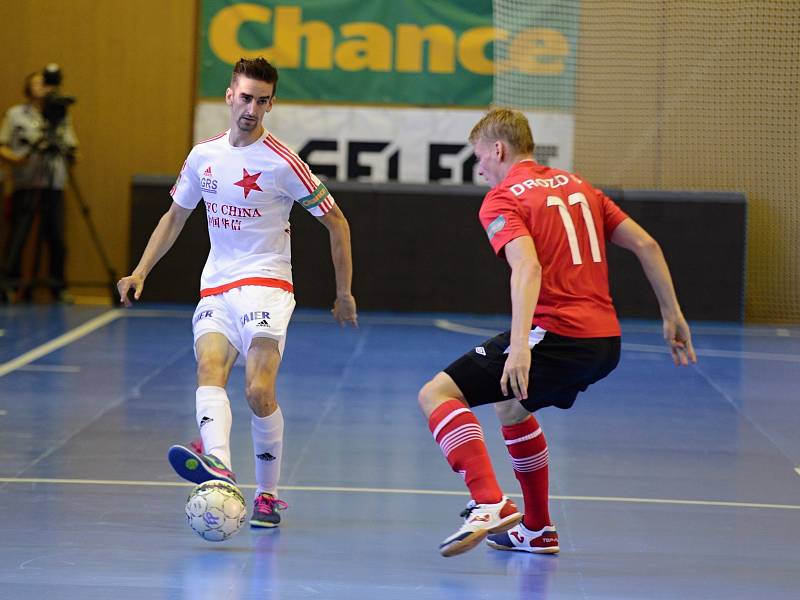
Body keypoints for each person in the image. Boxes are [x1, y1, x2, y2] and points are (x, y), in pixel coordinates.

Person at [418, 108, 696, 558]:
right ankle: (537, 529)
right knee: (511, 407)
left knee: (437, 394)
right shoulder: (582, 187)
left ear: (498, 149)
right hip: (605, 343)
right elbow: (647, 244)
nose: (480, 169)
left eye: (479, 158)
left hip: (558, 334)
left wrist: (520, 347)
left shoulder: (504, 198)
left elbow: (527, 266)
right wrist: (673, 314)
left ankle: (488, 502)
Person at [117, 57, 358, 528]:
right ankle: (221, 471)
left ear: (271, 103)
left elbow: (338, 222)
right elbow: (175, 217)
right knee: (210, 368)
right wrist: (141, 269)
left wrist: (344, 292)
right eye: (245, 97)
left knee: (257, 390)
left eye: (262, 100)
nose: (252, 108)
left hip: (267, 286)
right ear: (229, 95)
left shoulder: (284, 163)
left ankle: (267, 495)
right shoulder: (203, 156)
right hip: (217, 285)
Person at [0, 68, 78, 302]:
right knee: (19, 234)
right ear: (28, 88)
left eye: (45, 84)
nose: (43, 87)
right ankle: (8, 283)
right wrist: (19, 159)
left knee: (56, 235)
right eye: (37, 83)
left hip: (54, 182)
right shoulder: (15, 114)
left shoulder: (60, 115)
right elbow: (2, 145)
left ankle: (58, 285)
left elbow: (72, 147)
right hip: (28, 180)